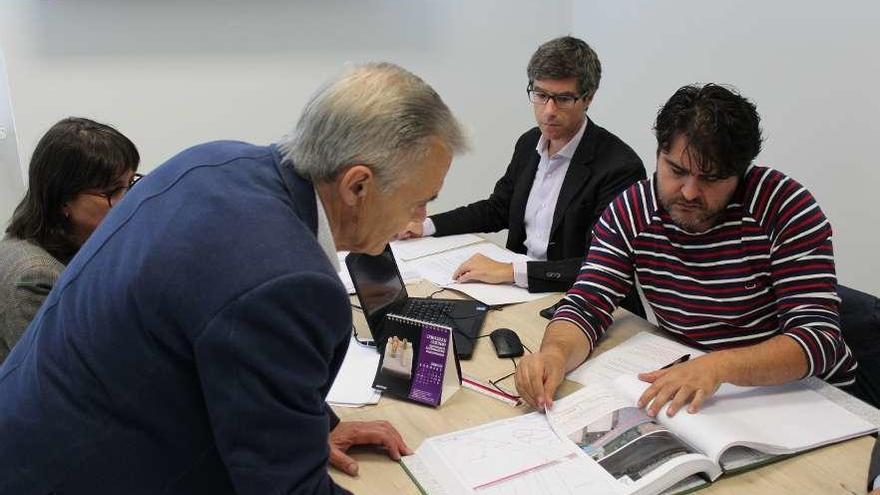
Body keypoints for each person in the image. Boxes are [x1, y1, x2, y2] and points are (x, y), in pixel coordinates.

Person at [0, 63, 467, 494]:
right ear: (357, 186)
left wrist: (311, 423)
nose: (420, 217)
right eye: (421, 199)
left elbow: (225, 348)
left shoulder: (215, 160)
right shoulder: (287, 282)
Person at [514, 84, 857, 418]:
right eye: (676, 171)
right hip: (702, 393)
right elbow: (589, 303)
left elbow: (819, 338)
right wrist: (555, 355)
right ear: (658, 154)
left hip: (805, 402)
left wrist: (717, 365)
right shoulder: (632, 210)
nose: (690, 192)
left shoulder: (783, 207)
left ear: (741, 173)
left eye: (710, 179)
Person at [400, 36, 646, 302]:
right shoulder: (530, 142)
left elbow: (604, 265)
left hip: (583, 300)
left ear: (589, 98)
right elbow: (498, 208)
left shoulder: (620, 167)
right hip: (520, 293)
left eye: (563, 98)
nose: (549, 111)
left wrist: (510, 271)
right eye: (540, 95)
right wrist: (425, 225)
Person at [0, 117, 140, 362]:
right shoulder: (35, 276)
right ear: (63, 200)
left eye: (131, 184)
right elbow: (57, 382)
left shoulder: (73, 247)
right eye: (112, 191)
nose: (127, 200)